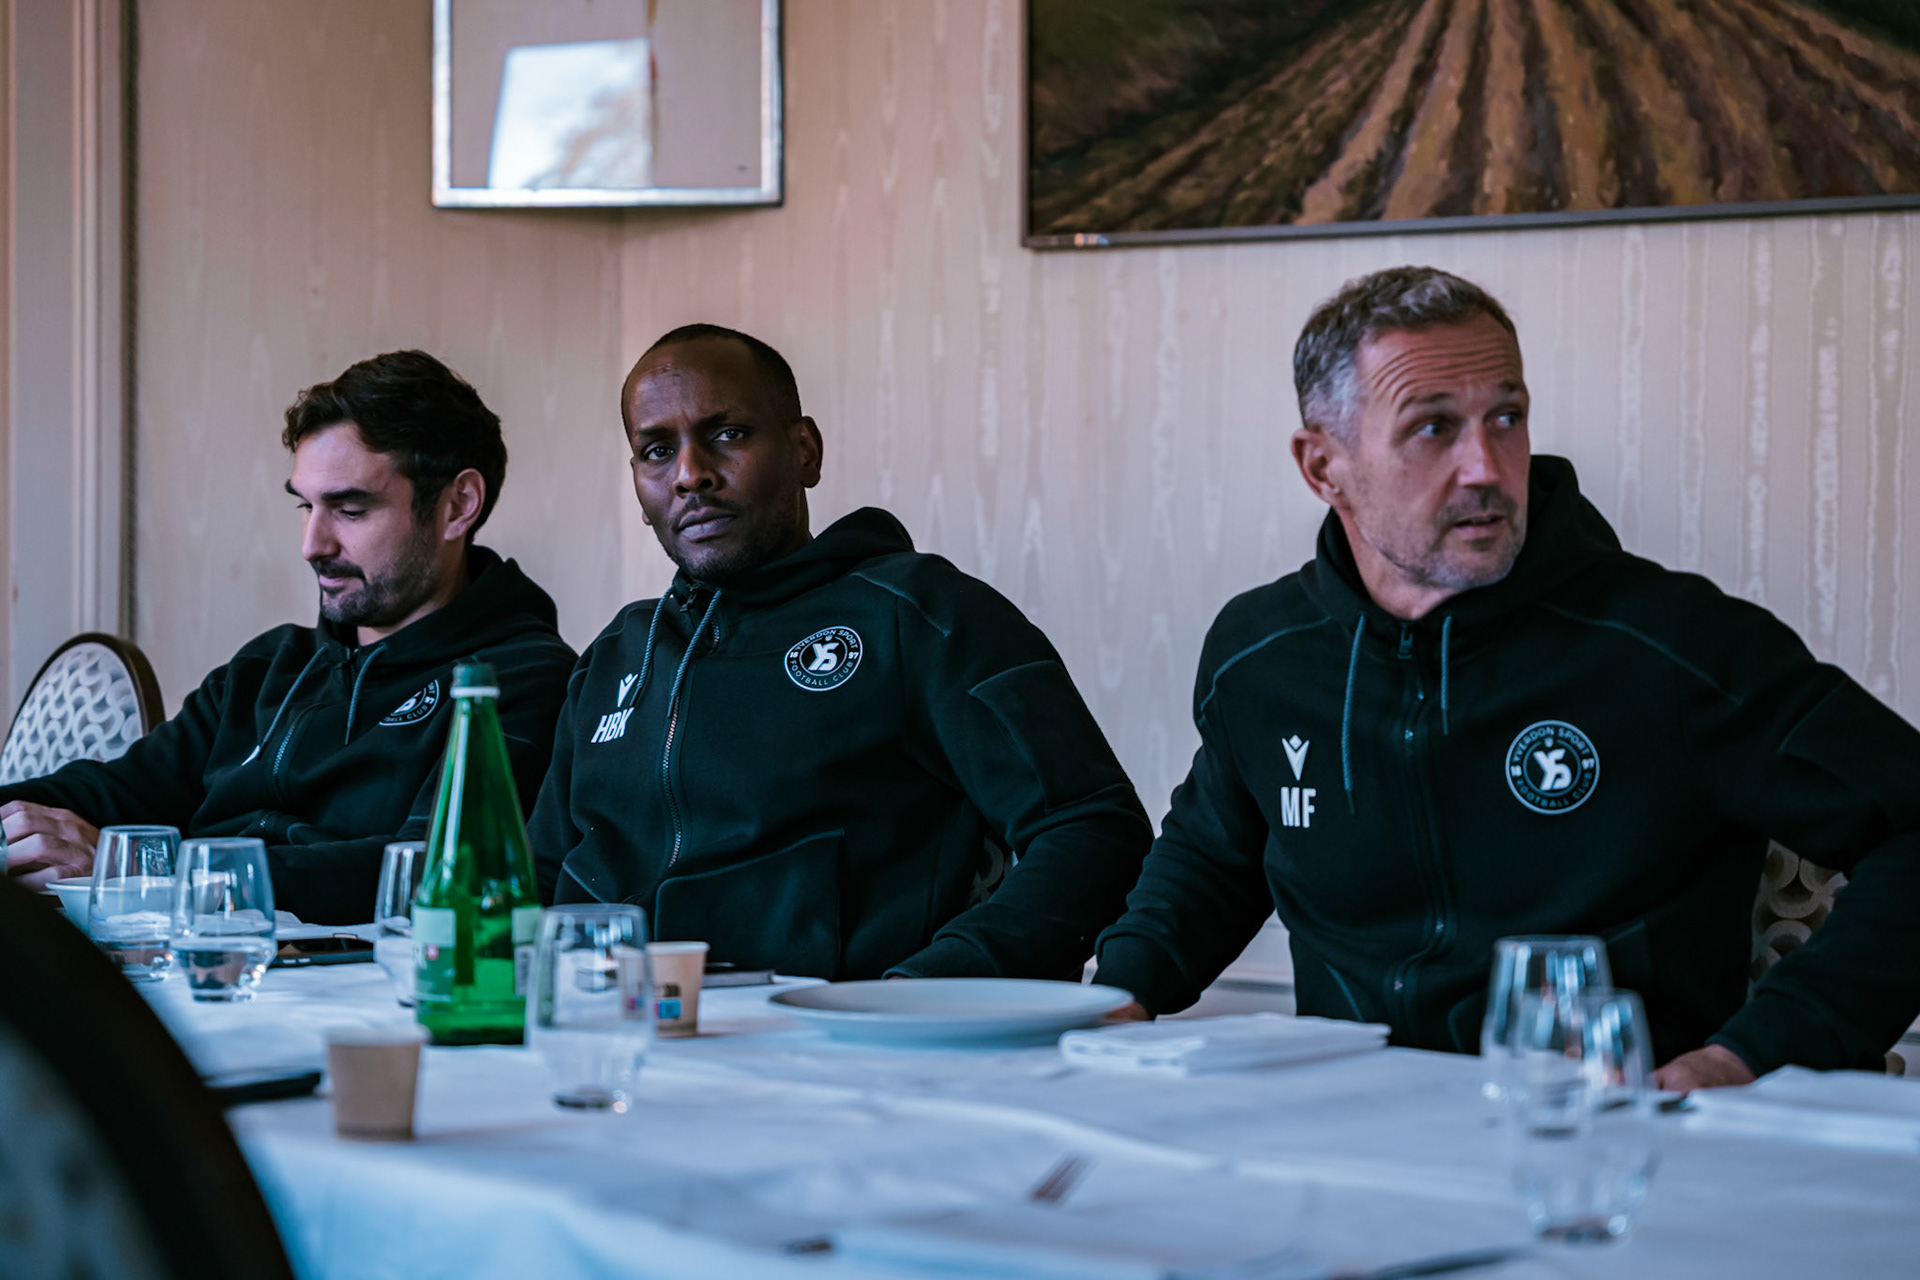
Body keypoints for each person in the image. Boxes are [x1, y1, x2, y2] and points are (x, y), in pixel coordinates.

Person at [1092, 266, 1920, 1091]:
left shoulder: (1674, 646)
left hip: (1618, 1140)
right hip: (1349, 1135)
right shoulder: (1260, 653)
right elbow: (1213, 855)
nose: (1486, 467)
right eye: (1433, 428)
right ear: (1324, 467)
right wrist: (1121, 997)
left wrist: (1749, 1054)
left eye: (1507, 418)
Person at [530, 324, 1151, 980]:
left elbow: (1092, 827)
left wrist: (930, 991)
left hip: (842, 1046)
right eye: (657, 450)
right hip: (613, 1032)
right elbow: (535, 880)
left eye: (727, 434)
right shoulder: (616, 658)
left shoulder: (917, 615)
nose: (690, 475)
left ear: (805, 451)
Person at [2, 351, 577, 923]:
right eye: (306, 505)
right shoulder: (269, 666)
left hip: (346, 989)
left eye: (350, 509)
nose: (312, 544)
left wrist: (148, 866)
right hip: (197, 960)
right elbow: (115, 791)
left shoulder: (519, 679)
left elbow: (430, 870)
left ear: (459, 505)